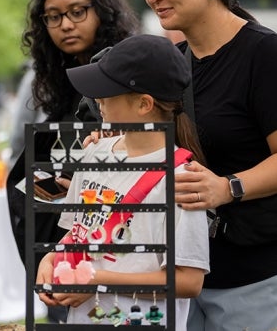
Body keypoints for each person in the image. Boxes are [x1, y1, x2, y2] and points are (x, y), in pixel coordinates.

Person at [142, 0, 277, 330]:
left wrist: (227, 187)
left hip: (255, 282)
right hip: (184, 279)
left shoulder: (263, 53)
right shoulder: (172, 63)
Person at [34, 34, 210, 329]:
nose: (97, 100)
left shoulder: (182, 180)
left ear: (144, 104)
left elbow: (188, 281)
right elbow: (80, 233)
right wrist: (52, 258)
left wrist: (98, 281)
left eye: (106, 92)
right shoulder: (93, 153)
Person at [5, 0, 139, 323]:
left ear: (103, 9)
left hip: (122, 246)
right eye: (53, 16)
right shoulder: (54, 79)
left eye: (77, 11)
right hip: (65, 244)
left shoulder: (131, 71)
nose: (65, 24)